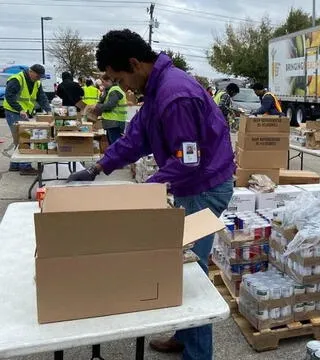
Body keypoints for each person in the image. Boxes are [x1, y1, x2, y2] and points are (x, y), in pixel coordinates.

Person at [66, 29, 235, 360]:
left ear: (134, 64)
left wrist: (144, 191)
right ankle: (185, 337)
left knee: (189, 271)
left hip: (204, 189)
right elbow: (135, 140)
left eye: (119, 77)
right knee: (179, 266)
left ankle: (197, 354)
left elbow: (187, 162)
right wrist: (98, 168)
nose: (122, 86)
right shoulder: (156, 91)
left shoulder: (175, 95)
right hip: (191, 185)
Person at [2, 64, 51, 175]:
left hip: (23, 112)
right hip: (13, 111)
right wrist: (20, 109)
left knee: (19, 138)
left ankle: (15, 165)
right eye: (37, 76)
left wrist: (48, 110)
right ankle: (25, 166)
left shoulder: (37, 83)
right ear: (31, 72)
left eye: (40, 77)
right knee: (24, 137)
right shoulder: (17, 79)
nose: (39, 78)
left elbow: (41, 97)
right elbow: (9, 96)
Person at [90, 74, 128, 145]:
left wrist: (96, 106)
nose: (103, 85)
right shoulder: (112, 90)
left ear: (109, 81)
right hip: (114, 122)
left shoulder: (114, 90)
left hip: (114, 122)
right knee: (114, 144)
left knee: (115, 145)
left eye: (103, 82)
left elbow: (110, 105)